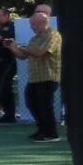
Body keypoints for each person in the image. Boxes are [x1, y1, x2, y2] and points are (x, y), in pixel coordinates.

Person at [9, 8, 63, 142]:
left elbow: (40, 52)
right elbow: (23, 56)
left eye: (33, 24)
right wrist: (13, 48)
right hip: (35, 78)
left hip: (48, 76)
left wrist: (22, 48)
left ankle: (51, 133)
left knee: (45, 105)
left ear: (42, 23)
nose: (32, 27)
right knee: (31, 102)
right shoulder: (34, 38)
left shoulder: (53, 35)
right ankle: (42, 129)